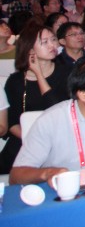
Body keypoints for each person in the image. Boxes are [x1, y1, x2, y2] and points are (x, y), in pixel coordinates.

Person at [0, 21, 73, 173]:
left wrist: (39, 74)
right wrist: (33, 141)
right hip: (24, 141)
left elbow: (58, 110)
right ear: (30, 49)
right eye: (44, 42)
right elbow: (12, 121)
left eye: (53, 39)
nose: (52, 45)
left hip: (61, 140)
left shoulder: (68, 72)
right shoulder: (16, 81)